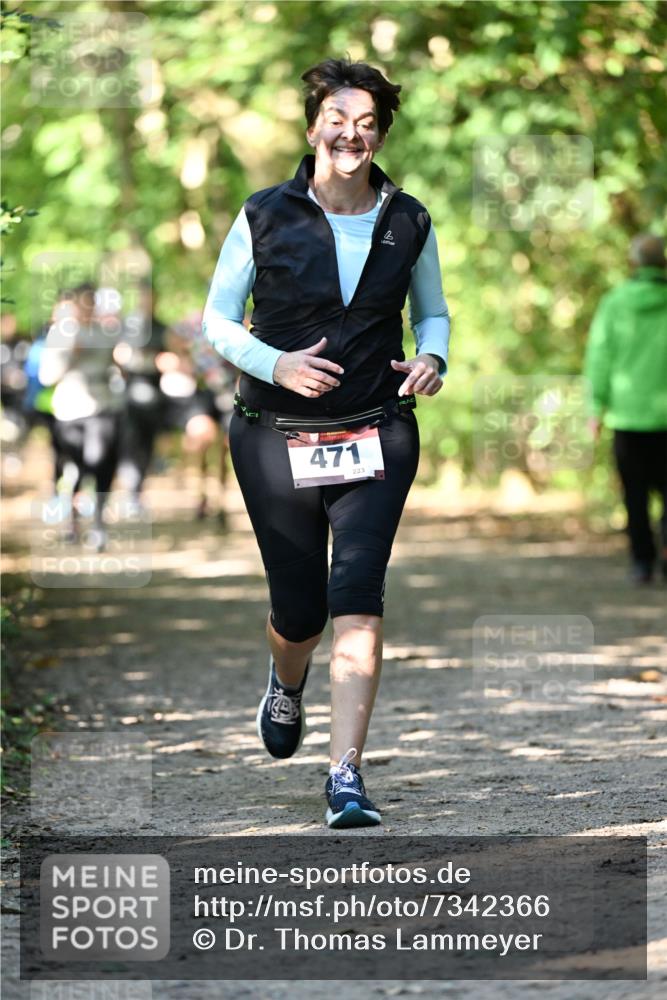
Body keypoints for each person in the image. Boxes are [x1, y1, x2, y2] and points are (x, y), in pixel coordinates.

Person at [203, 58, 450, 828]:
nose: (352, 134)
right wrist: (274, 363)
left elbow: (432, 313)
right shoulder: (263, 213)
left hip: (377, 429)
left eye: (367, 123)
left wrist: (433, 358)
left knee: (358, 602)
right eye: (337, 120)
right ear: (313, 127)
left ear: (380, 135)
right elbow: (216, 319)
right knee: (300, 612)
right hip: (274, 437)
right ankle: (286, 681)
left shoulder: (408, 218)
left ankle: (345, 776)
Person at [584, 234, 667, 585]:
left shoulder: (614, 303)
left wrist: (595, 408)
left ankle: (642, 563)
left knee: (634, 495)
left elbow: (599, 358)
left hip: (627, 417)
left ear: (633, 263)